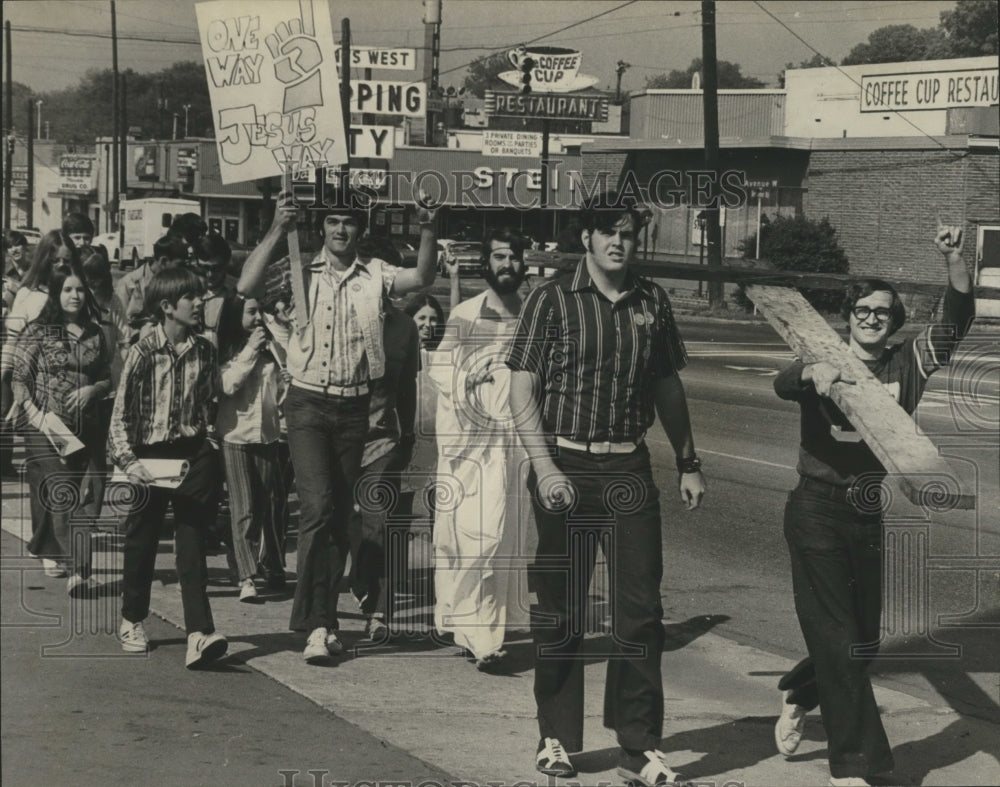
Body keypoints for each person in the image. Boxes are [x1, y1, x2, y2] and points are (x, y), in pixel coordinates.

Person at [504, 192, 706, 785]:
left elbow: (668, 386)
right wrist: (544, 468)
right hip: (564, 464)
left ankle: (638, 746)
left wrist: (688, 461)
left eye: (628, 233)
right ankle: (557, 738)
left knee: (640, 612)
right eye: (607, 232)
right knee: (563, 609)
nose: (619, 242)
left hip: (628, 469)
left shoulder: (653, 302)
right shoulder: (552, 300)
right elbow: (522, 391)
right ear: (586, 238)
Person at [771, 223, 974, 787]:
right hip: (814, 510)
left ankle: (800, 693)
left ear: (894, 320)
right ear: (849, 314)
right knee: (839, 640)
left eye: (882, 311)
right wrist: (813, 373)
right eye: (862, 309)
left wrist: (955, 258)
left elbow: (957, 317)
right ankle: (857, 766)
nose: (870, 317)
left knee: (858, 642)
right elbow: (783, 382)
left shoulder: (908, 363)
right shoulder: (822, 352)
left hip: (867, 512)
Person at [237, 187, 438, 663]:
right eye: (332, 222)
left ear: (360, 230)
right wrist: (276, 227)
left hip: (354, 409)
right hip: (307, 405)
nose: (340, 229)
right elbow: (246, 286)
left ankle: (326, 622)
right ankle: (312, 624)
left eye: (348, 222)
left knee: (339, 515)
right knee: (318, 506)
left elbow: (423, 276)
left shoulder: (375, 276)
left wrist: (429, 227)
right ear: (320, 228)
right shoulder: (298, 271)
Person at [107, 266, 228, 669]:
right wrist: (129, 463)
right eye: (190, 297)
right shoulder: (143, 354)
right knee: (141, 541)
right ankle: (132, 618)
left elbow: (211, 403)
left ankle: (199, 632)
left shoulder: (206, 350)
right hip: (146, 457)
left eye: (201, 296)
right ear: (166, 307)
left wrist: (209, 445)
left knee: (192, 542)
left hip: (192, 455)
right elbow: (119, 417)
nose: (200, 303)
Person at [428, 228, 534, 672]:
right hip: (473, 448)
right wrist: (464, 382)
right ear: (486, 264)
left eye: (512, 257)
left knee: (507, 539)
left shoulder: (533, 314)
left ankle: (479, 631)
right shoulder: (467, 315)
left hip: (517, 446)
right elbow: (440, 368)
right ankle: (481, 636)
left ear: (523, 263)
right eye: (498, 257)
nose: (505, 264)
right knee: (478, 536)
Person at [10, 258, 111, 592]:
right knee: (63, 490)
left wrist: (93, 389)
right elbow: (20, 378)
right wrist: (32, 412)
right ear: (55, 293)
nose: (75, 296)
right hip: (45, 424)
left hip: (88, 424)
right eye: (68, 289)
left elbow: (109, 378)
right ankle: (79, 570)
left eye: (80, 289)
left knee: (87, 494)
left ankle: (54, 551)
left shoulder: (97, 332)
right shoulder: (36, 331)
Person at [348, 299, 420, 640]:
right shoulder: (341, 312)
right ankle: (323, 611)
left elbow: (407, 386)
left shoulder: (404, 327)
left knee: (379, 519)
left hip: (382, 440)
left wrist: (407, 432)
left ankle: (378, 612)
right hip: (338, 437)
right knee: (337, 522)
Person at [216, 293, 286, 603]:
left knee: (261, 506)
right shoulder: (228, 352)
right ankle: (247, 577)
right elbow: (228, 385)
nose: (258, 318)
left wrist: (285, 384)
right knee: (242, 507)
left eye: (261, 312)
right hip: (235, 436)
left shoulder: (272, 351)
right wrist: (249, 350)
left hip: (267, 436)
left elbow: (279, 393)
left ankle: (249, 559)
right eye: (251, 312)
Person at [2, 232, 79, 483]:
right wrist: (5, 373)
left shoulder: (76, 291)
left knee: (64, 468)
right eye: (55, 260)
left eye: (66, 260)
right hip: (34, 394)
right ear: (44, 259)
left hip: (70, 391)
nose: (61, 266)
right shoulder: (28, 294)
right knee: (47, 470)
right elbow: (12, 341)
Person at [114, 233, 189, 345]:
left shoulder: (178, 283)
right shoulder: (129, 283)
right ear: (163, 261)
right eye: (180, 264)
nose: (184, 270)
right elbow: (119, 326)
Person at [191, 233, 233, 348]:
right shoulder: (187, 289)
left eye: (215, 268)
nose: (209, 274)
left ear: (225, 264)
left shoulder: (236, 292)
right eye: (204, 268)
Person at [2, 229, 30, 310]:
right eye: (9, 247)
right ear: (6, 251)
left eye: (17, 245)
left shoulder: (34, 269)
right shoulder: (4, 271)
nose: (14, 249)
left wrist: (17, 289)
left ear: (25, 246)